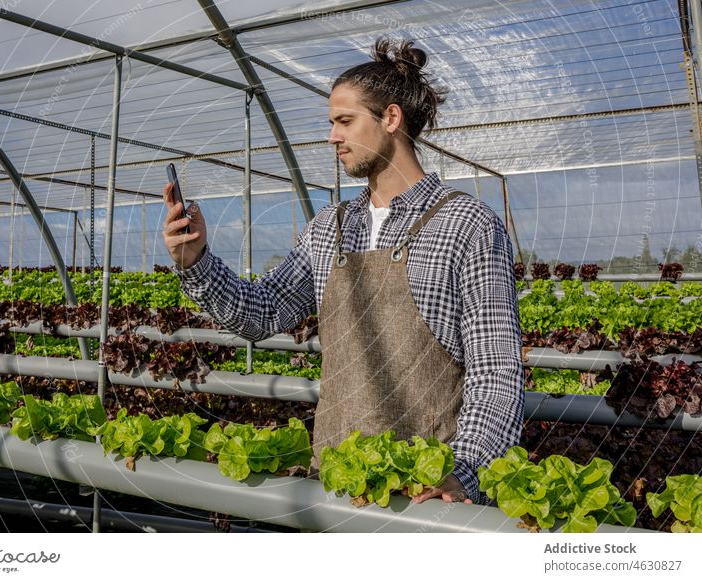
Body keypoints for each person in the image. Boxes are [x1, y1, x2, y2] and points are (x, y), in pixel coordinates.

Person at [163, 37, 523, 505]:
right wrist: (197, 261)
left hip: (426, 498)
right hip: (334, 488)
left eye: (344, 121)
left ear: (390, 119)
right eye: (332, 123)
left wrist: (463, 471)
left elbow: (495, 369)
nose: (332, 136)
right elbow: (263, 313)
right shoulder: (328, 228)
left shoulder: (467, 225)